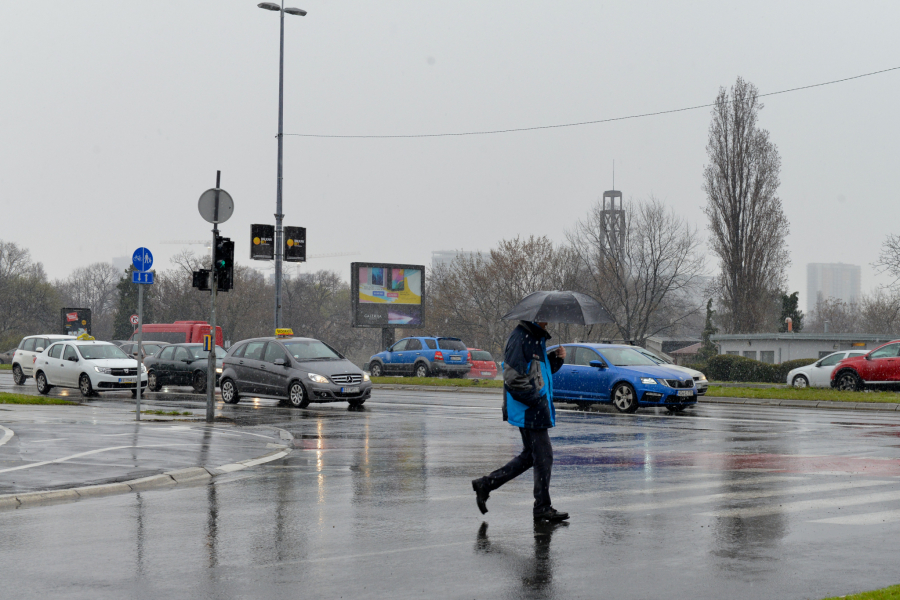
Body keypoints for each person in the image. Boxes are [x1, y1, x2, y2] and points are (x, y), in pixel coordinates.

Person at [471, 320, 568, 522]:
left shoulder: (535, 339)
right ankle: (542, 507)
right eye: (544, 317)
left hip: (534, 408)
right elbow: (513, 377)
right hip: (529, 410)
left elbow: (538, 374)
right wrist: (536, 401)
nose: (548, 321)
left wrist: (556, 360)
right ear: (534, 317)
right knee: (543, 457)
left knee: (531, 456)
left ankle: (486, 484)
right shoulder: (521, 338)